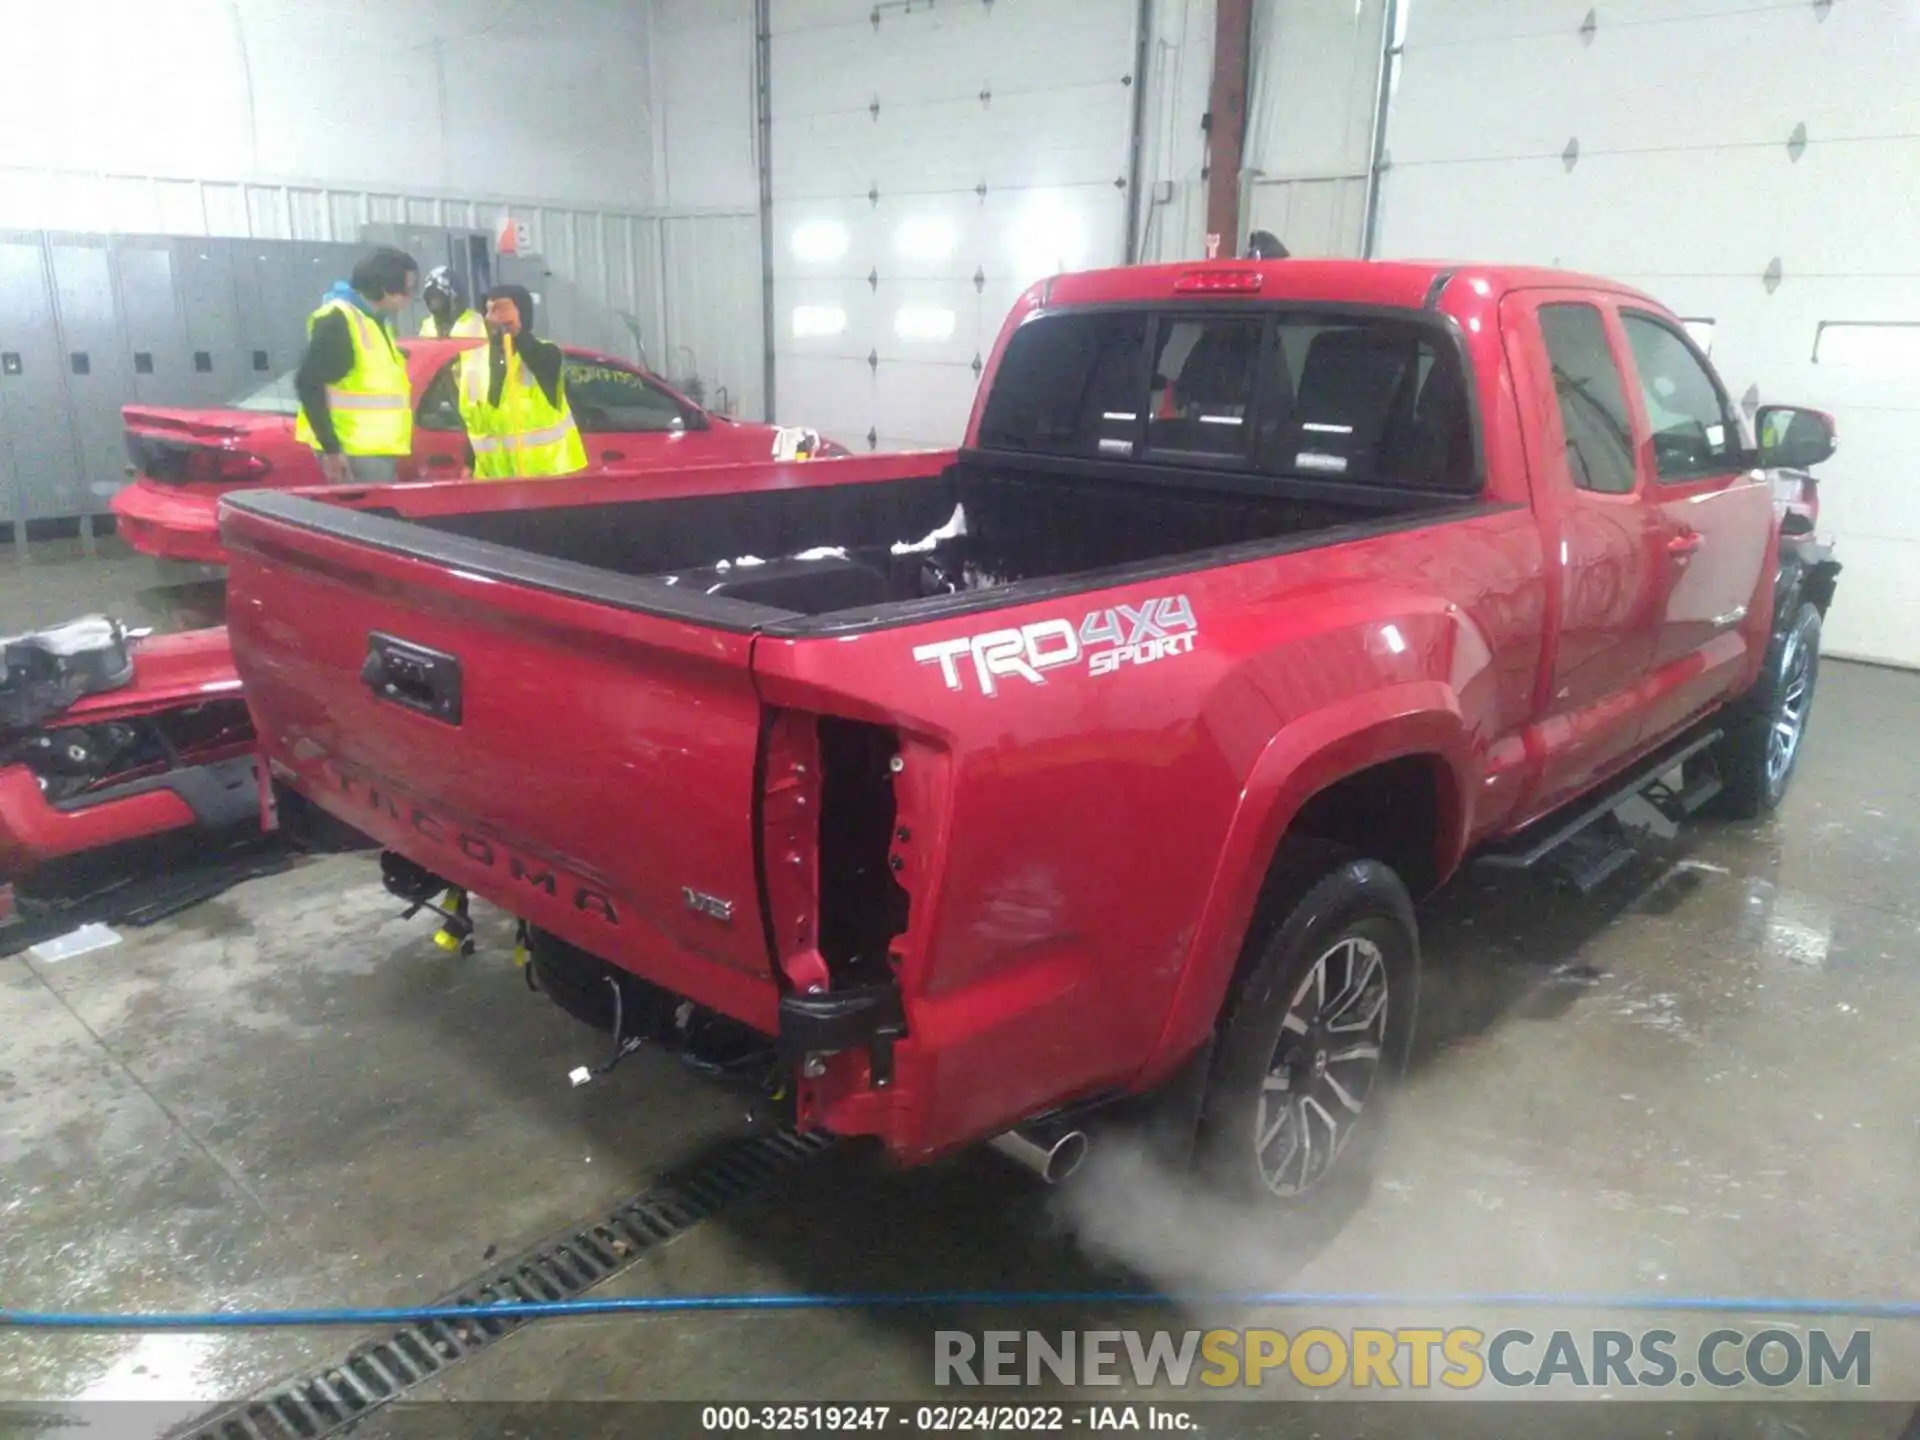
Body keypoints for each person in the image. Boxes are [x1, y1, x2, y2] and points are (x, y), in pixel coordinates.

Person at [293, 246, 417, 483]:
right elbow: (308, 384)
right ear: (384, 289)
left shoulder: (374, 320)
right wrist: (332, 450)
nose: (410, 297)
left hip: (370, 450)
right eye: (407, 289)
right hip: (352, 453)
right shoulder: (339, 320)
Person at [455, 283, 588, 479]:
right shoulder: (473, 361)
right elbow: (475, 424)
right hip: (495, 481)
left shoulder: (546, 354)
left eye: (499, 310)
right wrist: (468, 464)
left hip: (547, 480)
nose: (489, 317)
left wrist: (516, 331)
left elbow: (534, 355)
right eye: (488, 310)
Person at [419, 265, 486, 338]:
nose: (433, 302)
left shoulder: (475, 323)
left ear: (454, 297)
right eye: (430, 296)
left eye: (437, 296)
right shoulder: (427, 326)